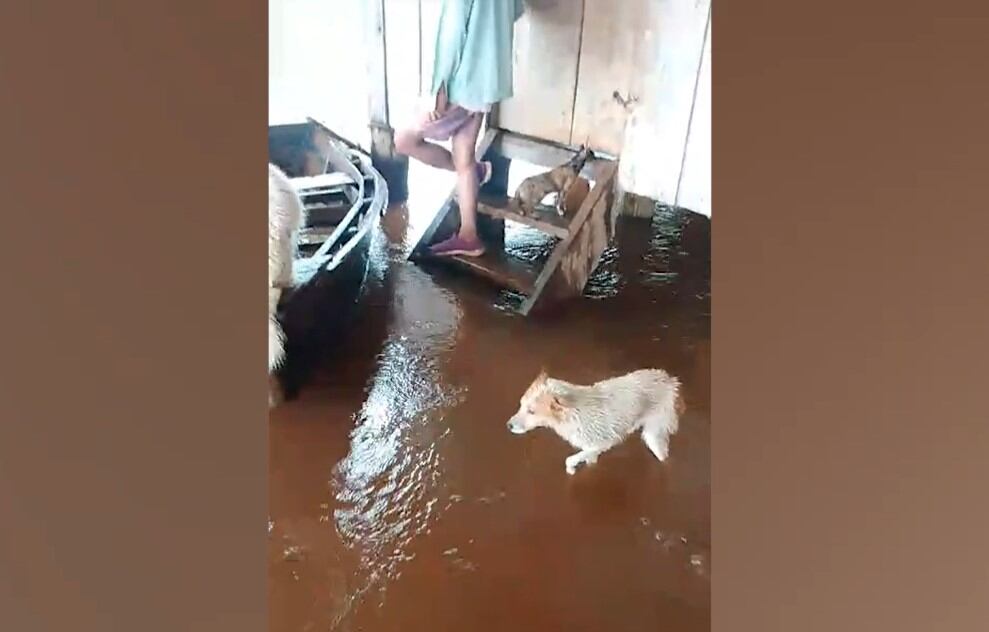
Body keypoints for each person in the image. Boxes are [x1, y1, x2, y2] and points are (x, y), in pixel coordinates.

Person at [395, 0, 525, 258]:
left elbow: (452, 32)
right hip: (488, 80)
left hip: (463, 82)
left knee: (403, 140)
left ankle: (476, 173)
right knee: (463, 156)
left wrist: (438, 89)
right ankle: (469, 236)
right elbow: (517, 10)